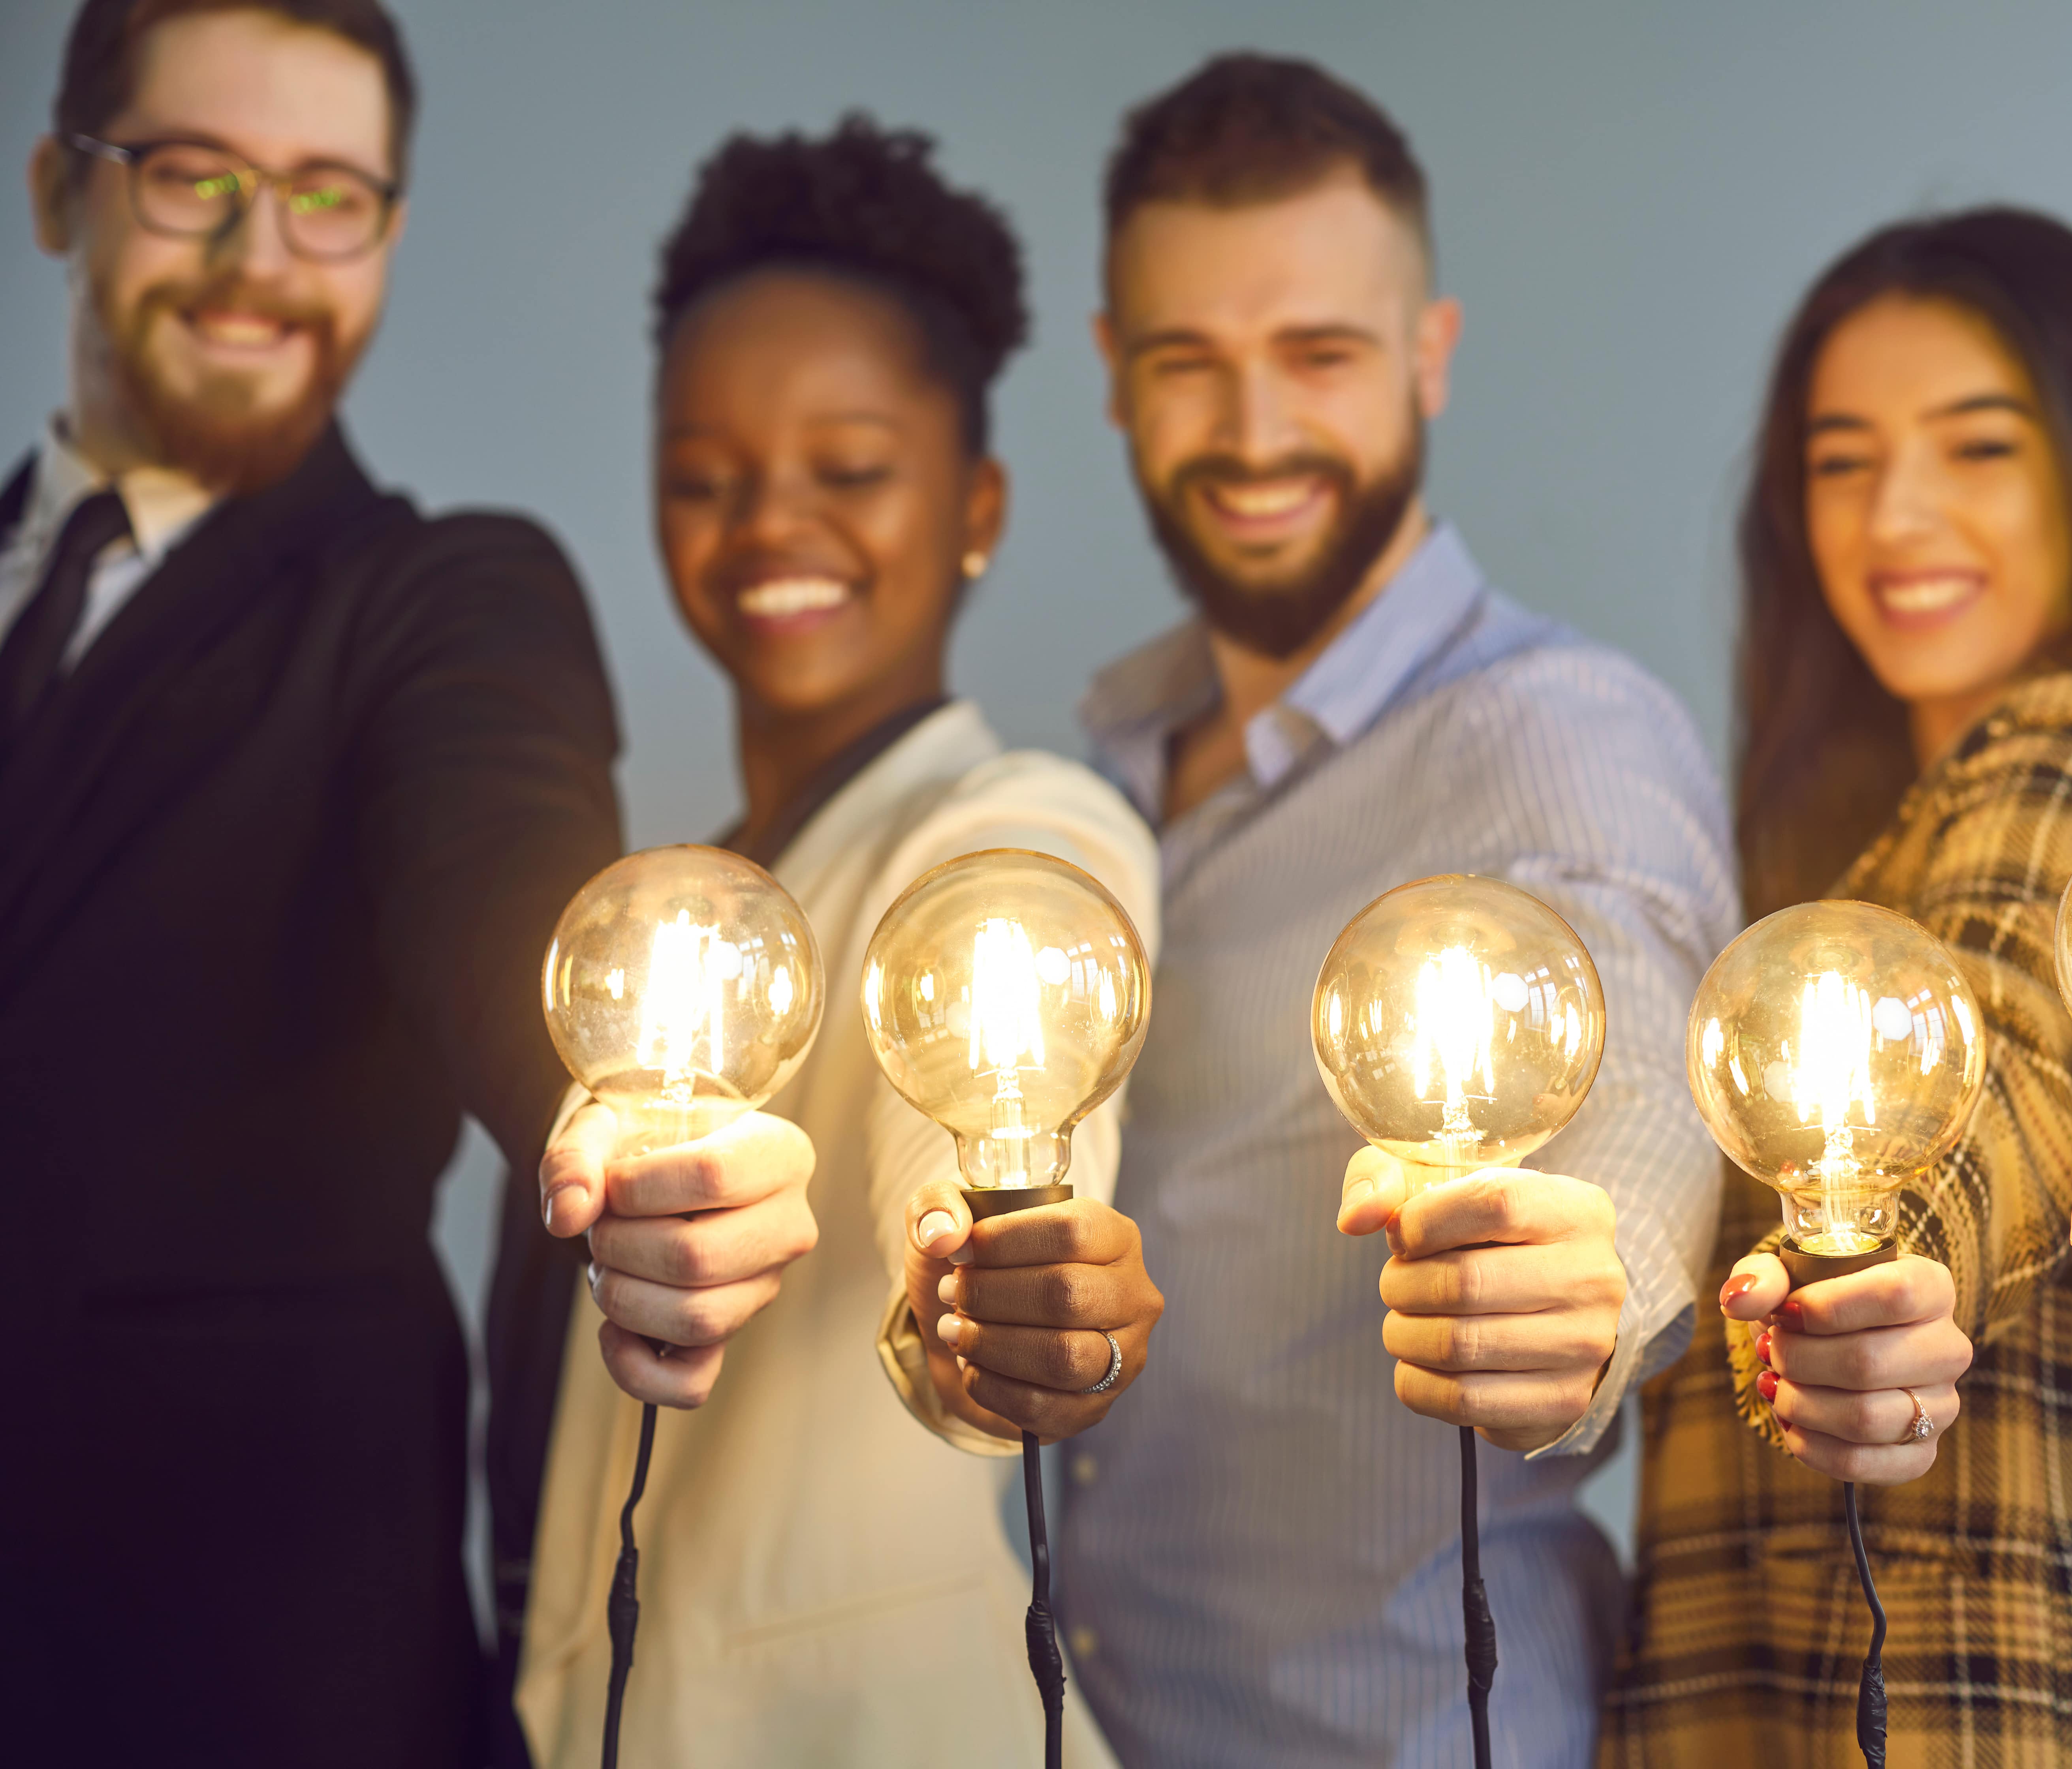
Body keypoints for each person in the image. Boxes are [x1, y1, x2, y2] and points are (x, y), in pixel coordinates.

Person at [1051, 53, 1948, 1768]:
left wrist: (1589, 1279)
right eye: (1188, 362)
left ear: (1429, 353)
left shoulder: (1556, 730)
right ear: (1112, 370)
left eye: (1318, 353)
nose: (1253, 430)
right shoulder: (1111, 760)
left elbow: (1636, 1032)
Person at [2, 5, 817, 1762]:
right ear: (59, 187)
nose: (260, 258)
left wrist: (604, 1107)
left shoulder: (444, 599)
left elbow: (495, 866)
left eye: (328, 196)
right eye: (194, 176)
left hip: (239, 1683)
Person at [1604, 208, 2072, 1766]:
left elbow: (2000, 1048)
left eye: (1979, 447)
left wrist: (1894, 1266)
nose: (1898, 516)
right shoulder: (1847, 866)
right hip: (1795, 1689)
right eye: (1843, 461)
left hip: (2006, 1699)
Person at [512, 118, 1164, 1768]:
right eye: (704, 476)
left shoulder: (1016, 828)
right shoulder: (698, 920)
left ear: (977, 503)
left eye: (851, 469)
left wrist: (994, 1303)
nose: (768, 524)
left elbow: (975, 1175)